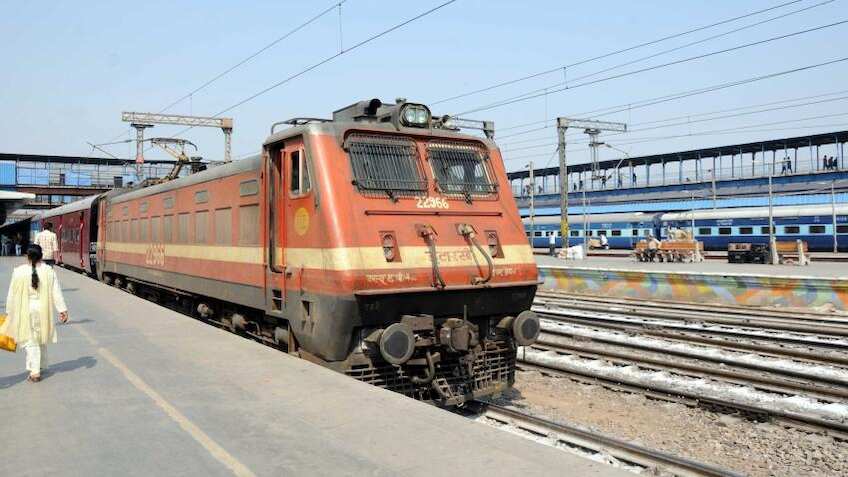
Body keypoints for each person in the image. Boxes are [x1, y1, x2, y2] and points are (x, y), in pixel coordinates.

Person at [1, 244, 68, 382]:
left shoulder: (18, 271)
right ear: (41, 256)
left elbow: (12, 294)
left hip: (25, 310)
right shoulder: (49, 271)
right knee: (40, 338)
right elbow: (56, 292)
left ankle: (35, 372)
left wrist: (9, 311)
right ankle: (39, 366)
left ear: (27, 256)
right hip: (43, 310)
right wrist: (62, 310)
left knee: (30, 341)